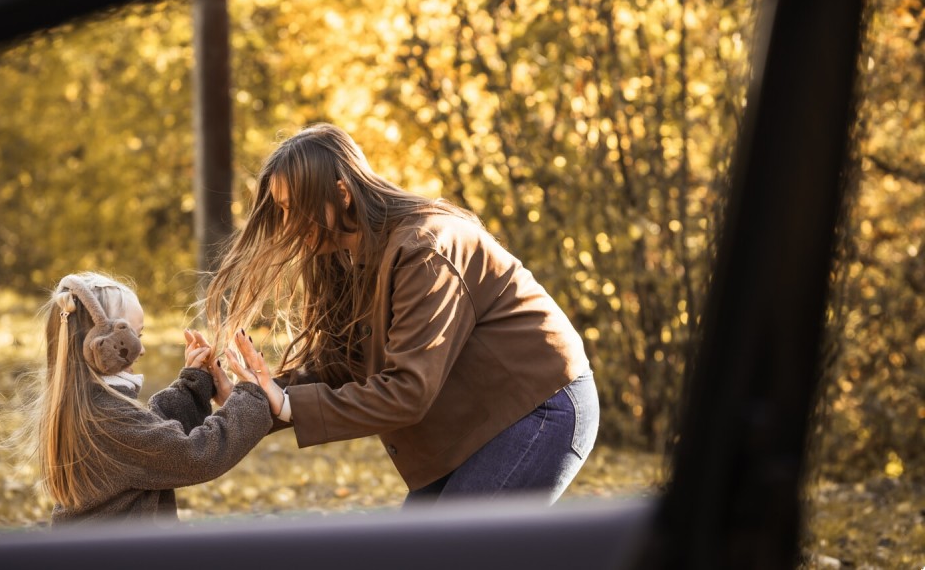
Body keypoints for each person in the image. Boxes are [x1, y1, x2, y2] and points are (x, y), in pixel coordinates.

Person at [206, 123, 598, 506]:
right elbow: (341, 363)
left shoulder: (425, 249)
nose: (287, 226)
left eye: (295, 210)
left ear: (341, 193)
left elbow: (408, 390)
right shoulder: (341, 255)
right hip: (472, 421)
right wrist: (255, 397)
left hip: (540, 405)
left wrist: (285, 403)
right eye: (282, 210)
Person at [34, 272, 279, 524]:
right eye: (133, 338)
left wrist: (192, 387)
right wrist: (250, 395)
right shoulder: (109, 420)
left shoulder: (91, 407)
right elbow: (195, 456)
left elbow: (150, 436)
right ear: (101, 343)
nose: (142, 351)